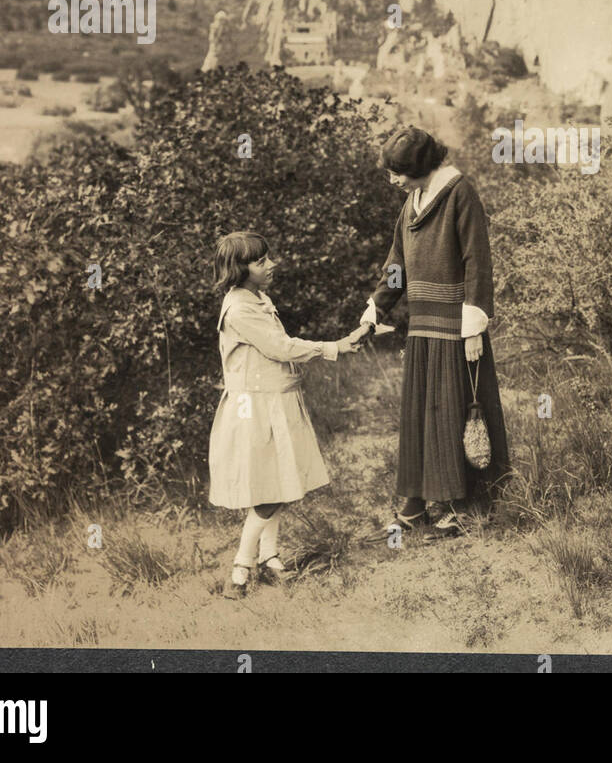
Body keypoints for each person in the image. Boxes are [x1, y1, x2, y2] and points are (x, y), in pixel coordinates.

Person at [361, 127, 510, 538]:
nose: (392, 180)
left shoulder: (461, 193)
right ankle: (414, 507)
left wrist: (475, 327)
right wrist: (376, 308)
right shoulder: (412, 202)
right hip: (422, 327)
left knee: (455, 413)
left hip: (456, 327)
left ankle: (461, 507)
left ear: (423, 166)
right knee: (420, 417)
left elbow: (477, 261)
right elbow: (397, 264)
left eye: (399, 172)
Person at [209, 231, 367, 598]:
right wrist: (335, 347)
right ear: (239, 268)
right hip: (256, 407)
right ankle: (240, 569)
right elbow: (280, 347)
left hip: (274, 400)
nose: (271, 265)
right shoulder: (240, 307)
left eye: (268, 258)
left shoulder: (257, 297)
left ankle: (270, 558)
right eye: (261, 261)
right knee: (268, 489)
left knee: (278, 481)